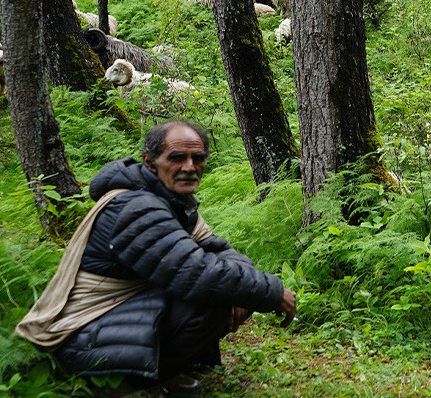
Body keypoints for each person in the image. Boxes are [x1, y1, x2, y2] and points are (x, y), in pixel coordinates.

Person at [16, 121, 296, 397]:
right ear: (150, 162)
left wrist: (243, 291)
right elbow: (196, 274)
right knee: (213, 301)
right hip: (79, 336)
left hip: (110, 323)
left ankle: (151, 372)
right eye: (177, 157)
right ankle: (119, 383)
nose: (189, 167)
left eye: (198, 158)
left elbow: (219, 250)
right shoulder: (136, 207)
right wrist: (270, 292)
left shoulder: (171, 200)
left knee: (226, 290)